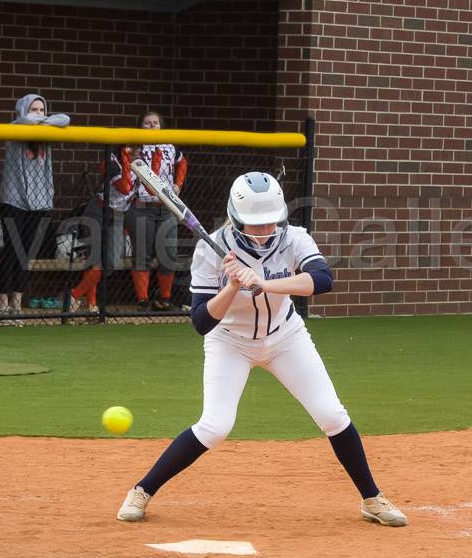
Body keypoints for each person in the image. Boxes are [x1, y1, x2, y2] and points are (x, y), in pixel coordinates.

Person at [116, 172, 407, 527]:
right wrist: (233, 286)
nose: (264, 229)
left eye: (270, 221)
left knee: (331, 414)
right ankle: (142, 490)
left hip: (285, 338)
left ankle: (371, 498)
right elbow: (201, 323)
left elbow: (323, 279)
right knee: (216, 426)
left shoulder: (295, 238)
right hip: (230, 343)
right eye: (254, 224)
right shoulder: (211, 248)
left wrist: (265, 282)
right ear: (236, 219)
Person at [0, 93, 70, 324]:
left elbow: (64, 119)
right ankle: (2, 302)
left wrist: (44, 120)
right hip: (14, 200)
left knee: (26, 252)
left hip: (38, 202)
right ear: (23, 110)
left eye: (42, 109)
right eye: (34, 109)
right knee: (12, 250)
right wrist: (34, 119)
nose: (38, 114)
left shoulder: (44, 132)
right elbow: (24, 121)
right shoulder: (15, 129)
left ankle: (17, 301)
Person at [126, 111, 187, 310]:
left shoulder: (171, 145)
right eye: (147, 123)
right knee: (142, 253)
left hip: (166, 207)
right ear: (140, 126)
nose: (151, 126)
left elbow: (182, 164)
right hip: (142, 206)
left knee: (168, 254)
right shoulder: (134, 146)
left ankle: (164, 298)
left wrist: (178, 185)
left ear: (161, 126)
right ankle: (142, 299)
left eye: (155, 123)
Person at [68, 145, 137, 312]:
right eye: (132, 147)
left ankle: (73, 295)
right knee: (94, 260)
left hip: (118, 215)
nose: (137, 151)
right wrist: (127, 161)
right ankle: (90, 304)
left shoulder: (144, 166)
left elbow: (142, 193)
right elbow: (124, 186)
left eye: (139, 148)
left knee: (111, 263)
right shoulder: (112, 160)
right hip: (98, 211)